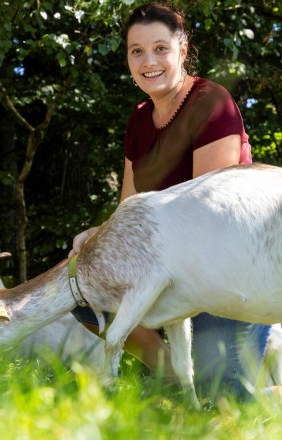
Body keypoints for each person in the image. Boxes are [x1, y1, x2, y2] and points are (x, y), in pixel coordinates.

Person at [70, 2, 271, 397]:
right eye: (137, 51)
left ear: (182, 50)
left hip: (233, 272)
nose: (149, 61)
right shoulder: (138, 118)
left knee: (228, 402)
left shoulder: (211, 103)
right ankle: (175, 381)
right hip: (178, 272)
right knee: (84, 295)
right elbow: (129, 209)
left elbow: (207, 212)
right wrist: (97, 236)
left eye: (161, 48)